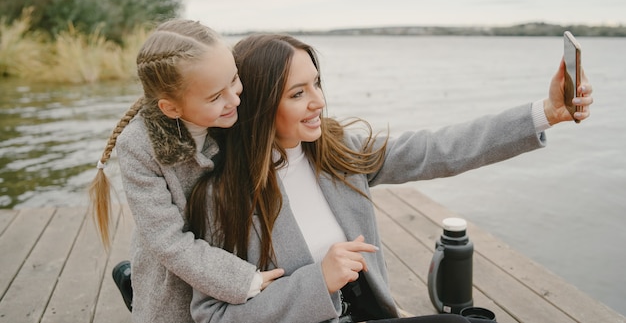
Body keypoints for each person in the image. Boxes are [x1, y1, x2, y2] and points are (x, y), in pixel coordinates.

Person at [187, 33, 593, 323]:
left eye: (317, 84)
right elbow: (212, 316)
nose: (318, 101)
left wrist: (545, 113)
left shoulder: (338, 151)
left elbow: (438, 150)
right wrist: (317, 283)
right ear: (258, 104)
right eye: (297, 93)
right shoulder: (220, 197)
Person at [88, 20, 283, 323]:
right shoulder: (139, 147)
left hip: (229, 244)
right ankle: (133, 285)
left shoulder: (232, 111)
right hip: (174, 273)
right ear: (172, 108)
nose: (234, 99)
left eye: (234, 79)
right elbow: (169, 242)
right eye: (215, 97)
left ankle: (129, 282)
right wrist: (244, 281)